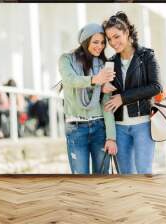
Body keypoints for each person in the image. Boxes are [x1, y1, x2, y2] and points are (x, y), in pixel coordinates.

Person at [102, 12, 162, 174]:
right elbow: (106, 94)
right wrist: (103, 88)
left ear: (127, 32)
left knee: (144, 172)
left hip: (143, 124)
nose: (113, 43)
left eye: (116, 36)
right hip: (119, 127)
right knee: (125, 174)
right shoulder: (111, 62)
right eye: (109, 39)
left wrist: (123, 98)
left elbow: (156, 87)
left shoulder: (146, 56)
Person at [58, 23, 117, 174]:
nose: (100, 46)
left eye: (103, 42)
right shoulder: (66, 60)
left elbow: (107, 104)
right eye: (95, 42)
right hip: (76, 128)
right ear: (85, 42)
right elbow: (70, 80)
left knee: (102, 179)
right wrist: (95, 81)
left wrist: (111, 137)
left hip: (99, 127)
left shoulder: (104, 65)